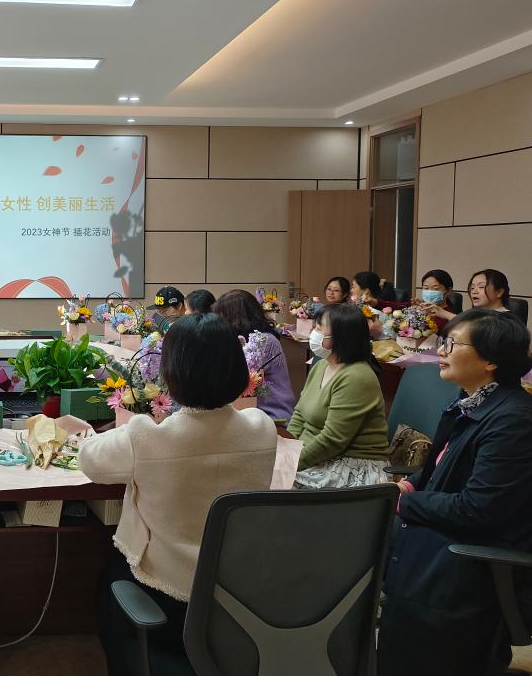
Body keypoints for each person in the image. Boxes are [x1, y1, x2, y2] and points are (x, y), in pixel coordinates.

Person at [79, 313, 278, 674]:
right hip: (239, 598)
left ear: (169, 373)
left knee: (109, 579)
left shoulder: (147, 437)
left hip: (167, 599)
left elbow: (89, 460)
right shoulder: (262, 429)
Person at [379, 309, 532, 676]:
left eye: (451, 344)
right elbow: (443, 465)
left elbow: (479, 509)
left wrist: (405, 502)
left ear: (490, 361)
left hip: (472, 558)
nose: (440, 350)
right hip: (447, 535)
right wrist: (412, 484)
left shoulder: (513, 421)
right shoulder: (472, 402)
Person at [288, 304, 389, 488]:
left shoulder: (356, 377)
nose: (313, 332)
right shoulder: (321, 365)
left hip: (351, 466)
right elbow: (299, 414)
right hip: (319, 457)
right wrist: (287, 449)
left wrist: (290, 464)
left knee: (265, 483)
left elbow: (332, 440)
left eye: (320, 328)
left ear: (342, 336)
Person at [212, 289, 296, 421]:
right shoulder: (244, 339)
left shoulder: (264, 341)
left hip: (271, 415)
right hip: (249, 411)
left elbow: (233, 378)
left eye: (222, 318)